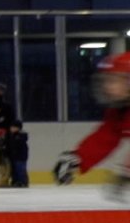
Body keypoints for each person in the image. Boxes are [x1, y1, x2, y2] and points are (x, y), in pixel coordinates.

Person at [54, 51, 130, 199]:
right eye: (106, 81)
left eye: (114, 81)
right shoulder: (119, 111)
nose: (108, 87)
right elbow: (104, 138)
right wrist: (78, 158)